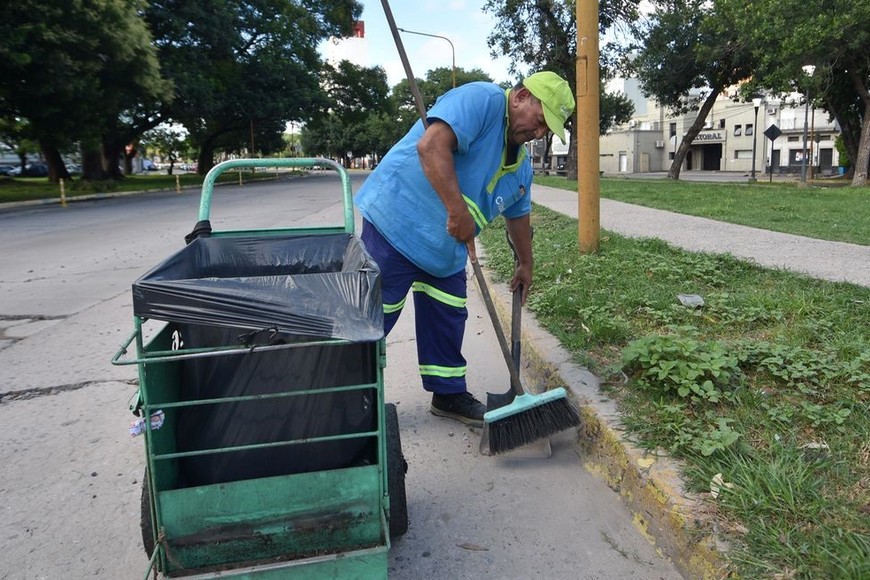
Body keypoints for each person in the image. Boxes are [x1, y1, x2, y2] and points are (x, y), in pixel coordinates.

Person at [355, 71, 575, 427]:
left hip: (445, 251)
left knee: (447, 316)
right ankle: (349, 395)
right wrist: (457, 212)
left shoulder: (520, 167)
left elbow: (518, 218)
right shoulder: (483, 101)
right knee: (372, 316)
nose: (538, 134)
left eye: (545, 130)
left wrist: (525, 264)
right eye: (539, 121)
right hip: (397, 223)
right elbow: (431, 146)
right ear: (520, 97)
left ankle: (448, 394)